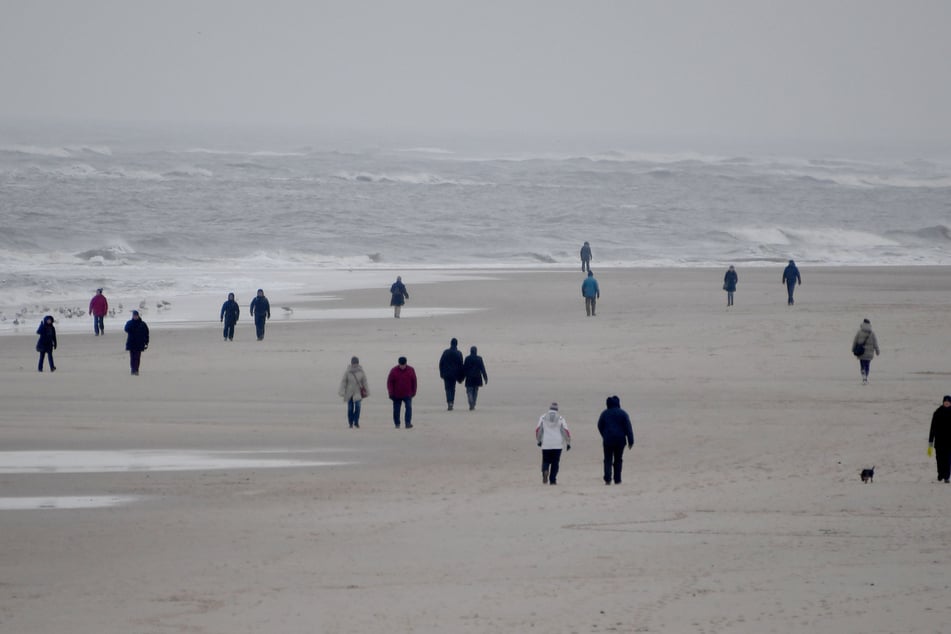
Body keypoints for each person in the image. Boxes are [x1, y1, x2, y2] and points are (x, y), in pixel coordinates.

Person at [597, 395, 634, 485]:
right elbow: (628, 428)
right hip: (620, 440)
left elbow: (599, 425)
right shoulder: (623, 413)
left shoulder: (604, 413)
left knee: (608, 459)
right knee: (618, 459)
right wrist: (631, 440)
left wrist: (604, 435)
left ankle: (608, 479)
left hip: (608, 440)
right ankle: (617, 479)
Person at [535, 402, 571, 485]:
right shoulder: (561, 418)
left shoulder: (543, 417)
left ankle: (545, 470)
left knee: (546, 461)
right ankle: (553, 480)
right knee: (555, 462)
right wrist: (568, 442)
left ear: (549, 408)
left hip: (546, 443)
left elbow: (538, 430)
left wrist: (539, 440)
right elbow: (565, 431)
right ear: (557, 409)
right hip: (557, 444)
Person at [338, 356, 369, 429]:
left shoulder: (361, 372)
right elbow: (344, 382)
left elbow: (365, 382)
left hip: (358, 392)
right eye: (353, 363)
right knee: (350, 409)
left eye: (356, 363)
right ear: (351, 363)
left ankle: (356, 421)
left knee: (358, 407)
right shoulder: (347, 372)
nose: (355, 364)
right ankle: (350, 423)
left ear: (358, 363)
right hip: (349, 393)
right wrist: (342, 391)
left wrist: (367, 391)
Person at [387, 356, 417, 428]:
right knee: (396, 410)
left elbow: (414, 381)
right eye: (401, 365)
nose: (402, 366)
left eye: (403, 365)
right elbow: (389, 382)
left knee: (409, 408)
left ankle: (408, 423)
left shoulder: (411, 370)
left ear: (406, 363)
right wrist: (391, 393)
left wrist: (414, 391)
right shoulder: (394, 370)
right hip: (396, 394)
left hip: (408, 393)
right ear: (399, 364)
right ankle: (397, 423)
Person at [928, 395, 951, 483]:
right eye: (945, 401)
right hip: (939, 441)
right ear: (943, 402)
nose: (947, 402)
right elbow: (932, 428)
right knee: (939, 459)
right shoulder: (937, 412)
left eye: (948, 401)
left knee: (948, 459)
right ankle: (940, 474)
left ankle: (947, 477)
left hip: (949, 442)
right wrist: (930, 441)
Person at [851, 318, 880, 384]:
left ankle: (863, 374)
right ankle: (865, 377)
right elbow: (875, 343)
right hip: (869, 353)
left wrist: (853, 349)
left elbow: (855, 341)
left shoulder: (859, 332)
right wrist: (877, 351)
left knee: (862, 364)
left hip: (861, 352)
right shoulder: (872, 333)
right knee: (867, 365)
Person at [438, 338, 465, 410]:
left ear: (450, 343)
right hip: (454, 374)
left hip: (446, 373)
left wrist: (441, 372)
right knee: (452, 388)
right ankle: (451, 402)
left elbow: (441, 363)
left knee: (447, 388)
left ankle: (449, 402)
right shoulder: (459, 353)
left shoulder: (445, 352)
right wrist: (461, 376)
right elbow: (461, 365)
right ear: (457, 344)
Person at [462, 345, 488, 410]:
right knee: (475, 391)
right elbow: (482, 369)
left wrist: (462, 377)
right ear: (476, 351)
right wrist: (485, 378)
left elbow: (464, 369)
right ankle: (473, 404)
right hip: (477, 377)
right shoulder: (479, 358)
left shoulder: (467, 358)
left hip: (469, 377)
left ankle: (471, 402)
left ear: (470, 351)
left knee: (469, 391)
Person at [124, 310, 149, 376]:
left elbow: (146, 333)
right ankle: (133, 369)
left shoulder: (143, 324)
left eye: (136, 315)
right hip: (131, 343)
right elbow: (126, 329)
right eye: (134, 316)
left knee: (137, 357)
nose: (135, 317)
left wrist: (146, 342)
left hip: (139, 343)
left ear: (138, 316)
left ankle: (136, 369)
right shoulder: (129, 323)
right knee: (132, 357)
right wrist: (132, 326)